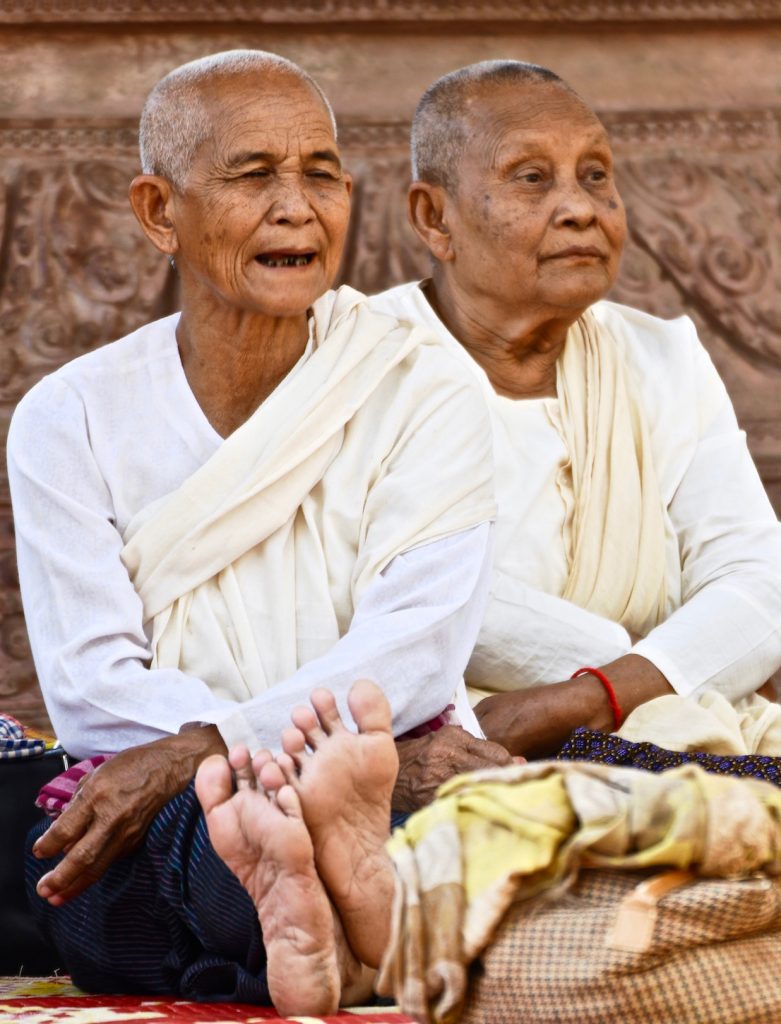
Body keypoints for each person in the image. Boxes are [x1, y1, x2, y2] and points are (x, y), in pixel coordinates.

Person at [14, 47, 505, 948]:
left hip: (364, 764)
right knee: (104, 868)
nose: (297, 206)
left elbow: (415, 653)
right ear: (159, 212)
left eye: (322, 176)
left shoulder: (423, 387)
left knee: (497, 818)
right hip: (218, 787)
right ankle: (335, 909)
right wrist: (266, 768)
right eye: (254, 175)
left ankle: (326, 908)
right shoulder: (70, 416)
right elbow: (91, 692)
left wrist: (213, 745)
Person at [371, 60, 781, 781]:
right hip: (446, 753)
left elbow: (759, 586)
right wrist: (683, 655)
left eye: (595, 175)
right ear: (434, 218)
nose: (580, 208)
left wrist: (589, 693)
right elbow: (395, 596)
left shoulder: (662, 358)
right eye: (531, 177)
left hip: (653, 725)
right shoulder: (356, 369)